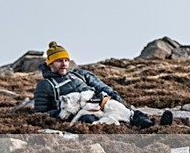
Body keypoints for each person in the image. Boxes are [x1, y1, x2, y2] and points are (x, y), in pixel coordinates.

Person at [33, 41, 170, 127]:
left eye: (66, 60)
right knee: (89, 119)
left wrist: (113, 95)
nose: (64, 64)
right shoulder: (45, 85)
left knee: (131, 113)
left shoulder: (80, 74)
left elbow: (100, 85)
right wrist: (63, 112)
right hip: (81, 113)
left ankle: (156, 125)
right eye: (59, 61)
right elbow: (40, 113)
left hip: (101, 102)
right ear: (50, 64)